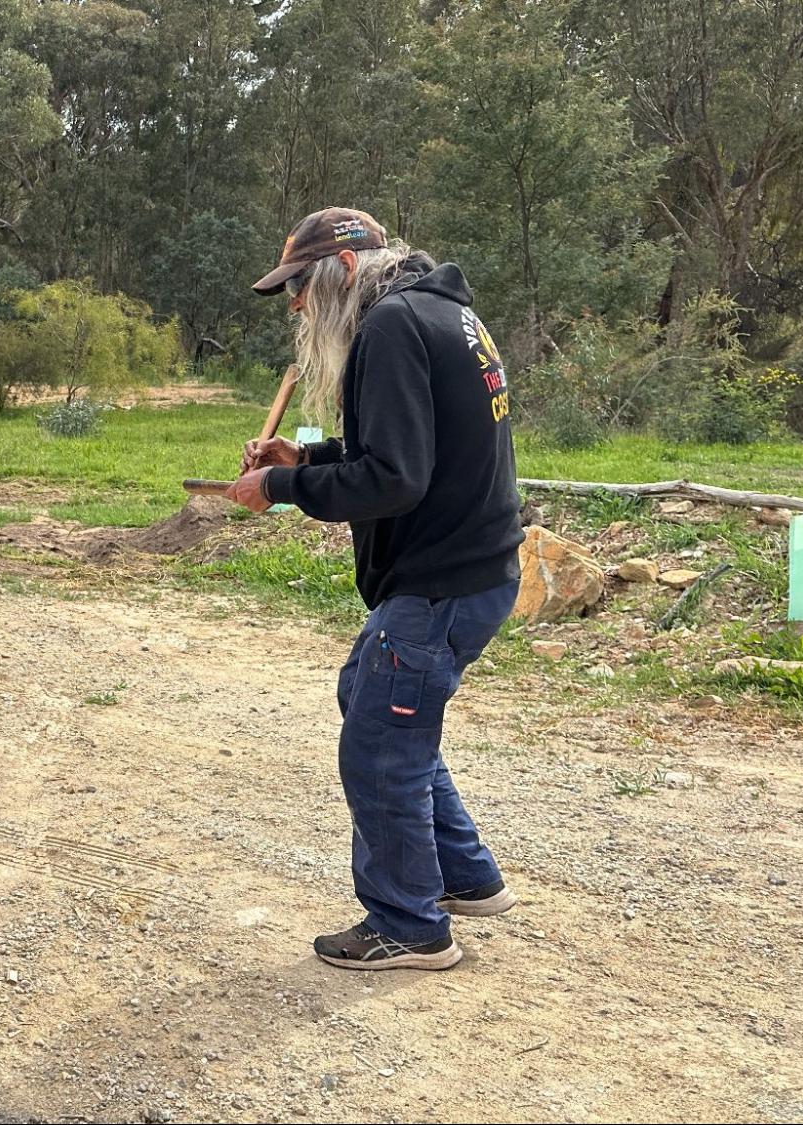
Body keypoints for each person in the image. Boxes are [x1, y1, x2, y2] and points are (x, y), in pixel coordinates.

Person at [227, 207, 525, 971]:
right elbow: (408, 445)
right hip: (472, 569)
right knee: (373, 698)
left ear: (341, 271)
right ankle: (464, 876)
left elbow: (393, 478)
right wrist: (309, 455)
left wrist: (284, 486)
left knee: (378, 745)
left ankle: (407, 923)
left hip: (439, 581)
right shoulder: (440, 312)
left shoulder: (390, 327)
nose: (295, 304)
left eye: (297, 285)